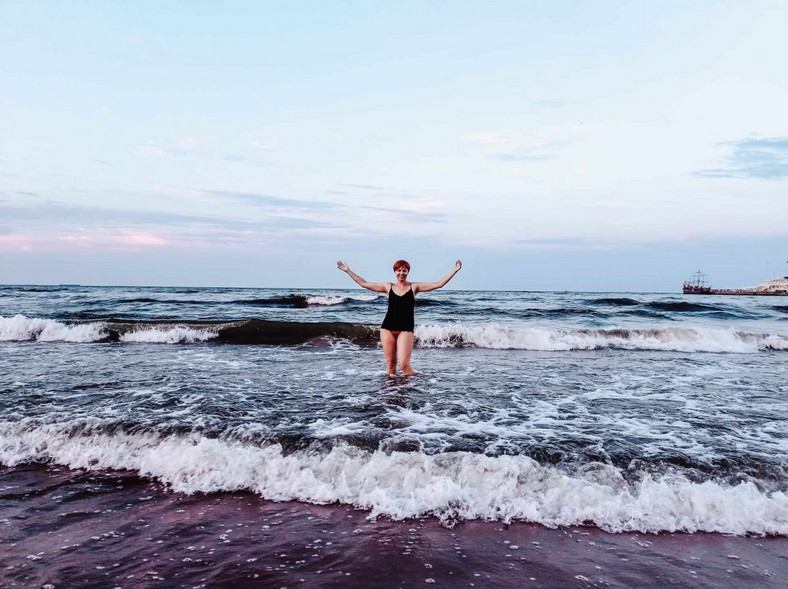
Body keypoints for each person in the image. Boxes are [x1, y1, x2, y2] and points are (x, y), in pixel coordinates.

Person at [336, 259, 462, 375]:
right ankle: (391, 392)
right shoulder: (388, 287)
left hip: (405, 329)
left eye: (404, 270)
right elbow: (364, 284)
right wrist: (348, 271)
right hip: (387, 328)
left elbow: (438, 284)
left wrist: (455, 271)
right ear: (395, 272)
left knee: (404, 365)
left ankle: (411, 390)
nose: (401, 273)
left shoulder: (414, 287)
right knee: (390, 364)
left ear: (408, 272)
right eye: (399, 270)